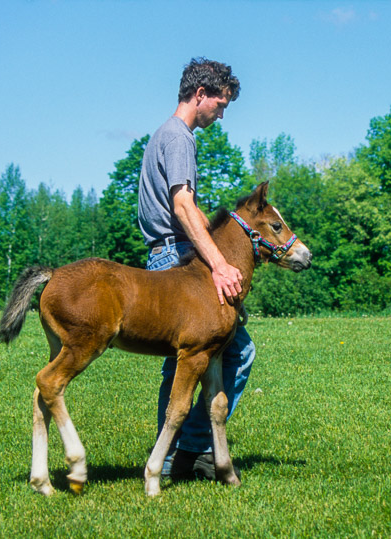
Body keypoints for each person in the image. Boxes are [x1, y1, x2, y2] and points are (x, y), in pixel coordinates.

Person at [137, 57, 254, 480]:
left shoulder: (161, 136)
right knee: (237, 351)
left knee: (180, 362)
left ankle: (168, 458)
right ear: (200, 94)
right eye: (220, 105)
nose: (221, 115)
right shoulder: (181, 137)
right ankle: (191, 450)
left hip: (162, 252)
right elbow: (182, 205)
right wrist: (220, 264)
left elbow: (187, 207)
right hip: (178, 258)